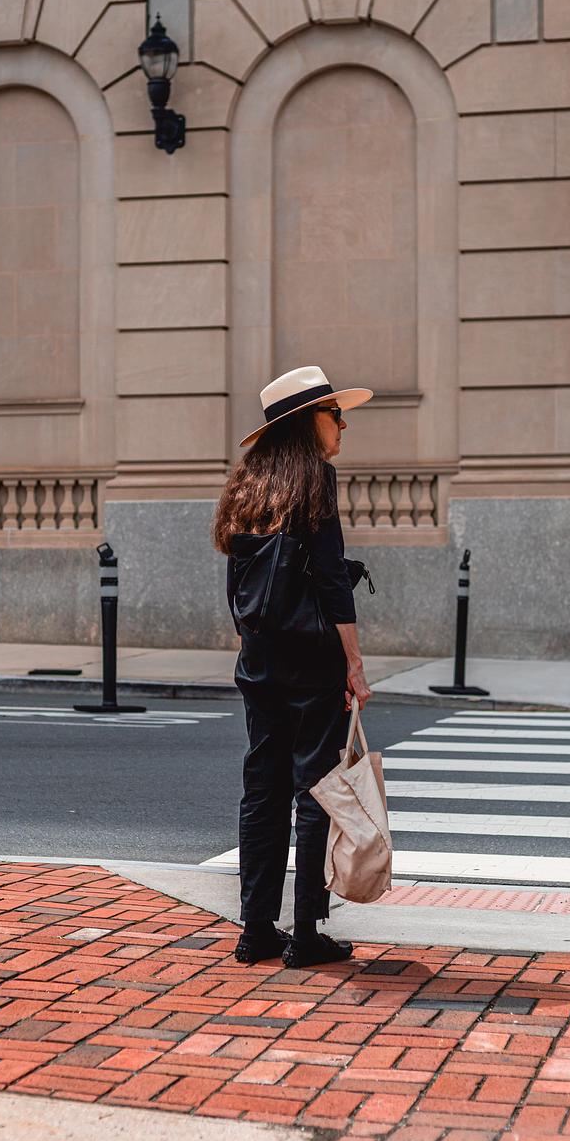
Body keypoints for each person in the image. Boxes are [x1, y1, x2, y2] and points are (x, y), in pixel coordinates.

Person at [212, 365, 375, 968]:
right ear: (308, 421)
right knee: (313, 788)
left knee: (263, 788)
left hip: (258, 657)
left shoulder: (248, 483)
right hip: (311, 657)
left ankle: (256, 929)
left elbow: (237, 583)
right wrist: (354, 663)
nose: (343, 424)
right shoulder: (316, 481)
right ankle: (305, 933)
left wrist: (253, 645)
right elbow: (331, 581)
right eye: (335, 414)